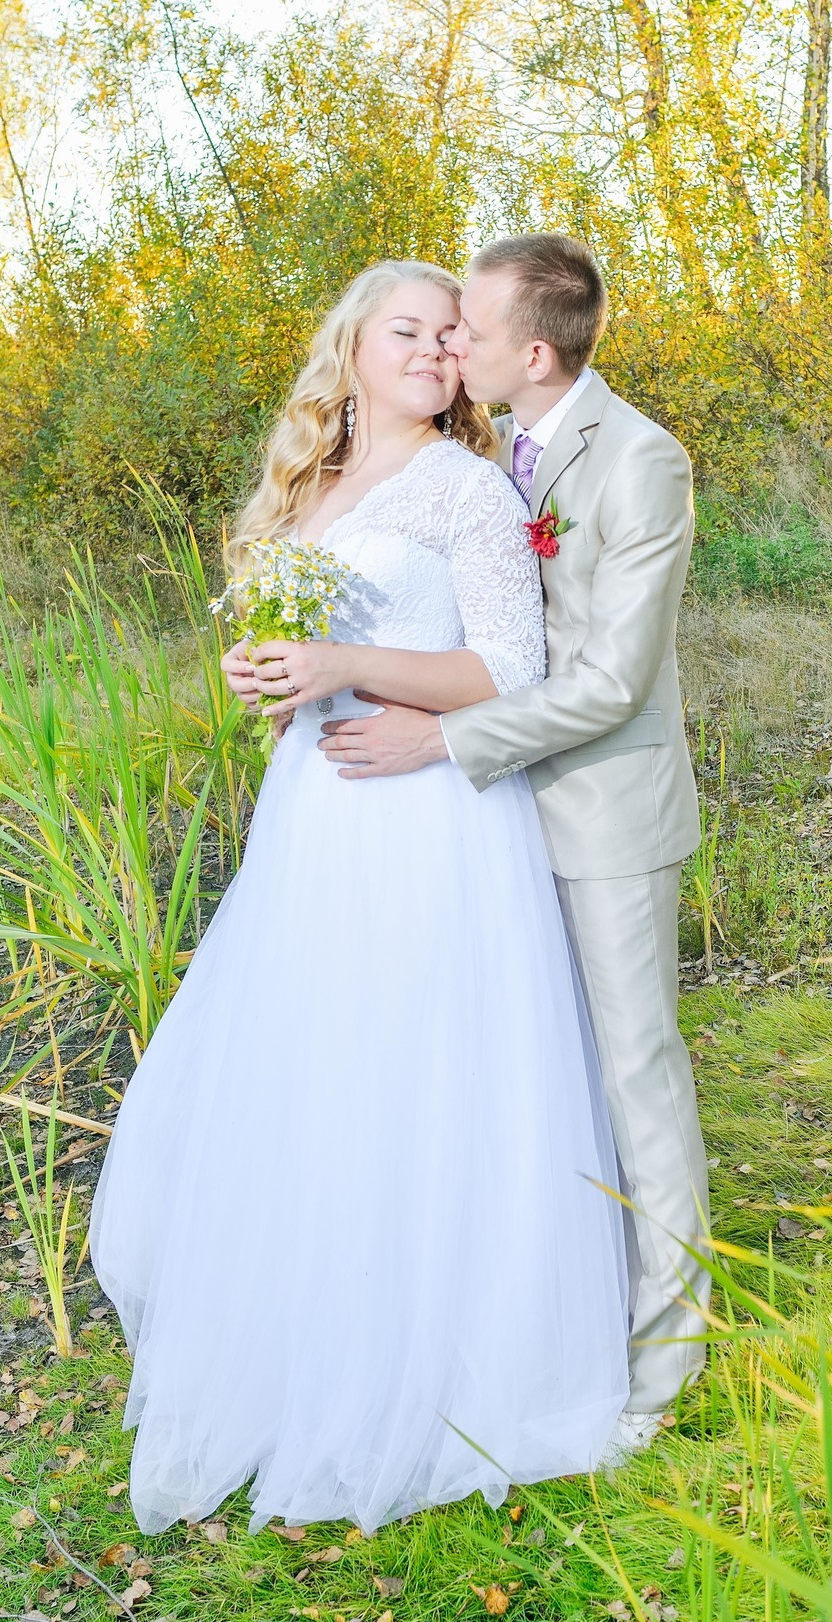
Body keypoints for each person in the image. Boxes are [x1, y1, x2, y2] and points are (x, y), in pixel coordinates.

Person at [87, 259, 630, 1536]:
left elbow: (506, 665)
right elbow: (308, 659)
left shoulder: (465, 491)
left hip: (432, 816)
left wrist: (342, 659)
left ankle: (437, 1347)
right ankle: (314, 1323)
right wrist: (273, 674)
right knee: (318, 1058)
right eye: (412, 330)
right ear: (350, 342)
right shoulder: (311, 489)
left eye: (455, 336)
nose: (439, 352)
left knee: (420, 1061)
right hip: (320, 811)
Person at [303, 235, 708, 1462]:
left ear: (528, 353)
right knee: (531, 1071)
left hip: (596, 807)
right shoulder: (495, 452)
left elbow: (606, 679)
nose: (446, 345)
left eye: (464, 330)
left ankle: (663, 1359)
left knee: (635, 1071)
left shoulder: (639, 462)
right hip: (487, 820)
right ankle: (531, 1308)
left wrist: (444, 742)